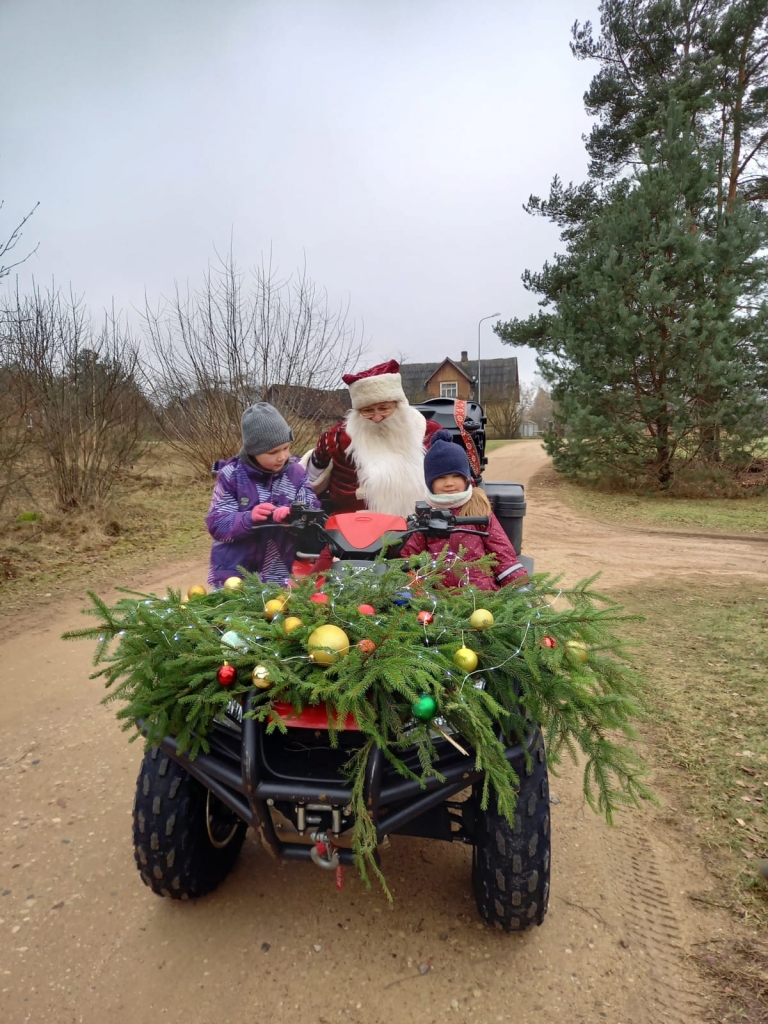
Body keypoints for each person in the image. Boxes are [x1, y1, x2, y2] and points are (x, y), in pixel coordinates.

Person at [304, 360, 442, 517]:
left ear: (398, 404)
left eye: (384, 408)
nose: (377, 418)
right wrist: (318, 461)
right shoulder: (341, 437)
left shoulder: (429, 432)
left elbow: (454, 482)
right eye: (367, 411)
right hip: (354, 529)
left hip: (419, 529)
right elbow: (307, 487)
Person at [206, 402, 320, 588]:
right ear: (253, 451)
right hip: (232, 574)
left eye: (286, 447)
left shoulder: (296, 474)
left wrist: (293, 515)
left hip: (276, 574)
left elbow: (313, 513)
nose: (282, 456)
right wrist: (248, 518)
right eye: (273, 452)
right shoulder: (231, 475)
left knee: (275, 614)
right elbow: (217, 524)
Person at [399, 430, 528, 589]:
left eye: (456, 476)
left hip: (482, 594)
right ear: (429, 482)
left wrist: (519, 586)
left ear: (466, 478)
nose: (449, 483)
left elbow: (502, 553)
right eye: (440, 478)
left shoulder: (478, 508)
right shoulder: (426, 514)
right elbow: (411, 558)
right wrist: (414, 586)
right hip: (440, 599)